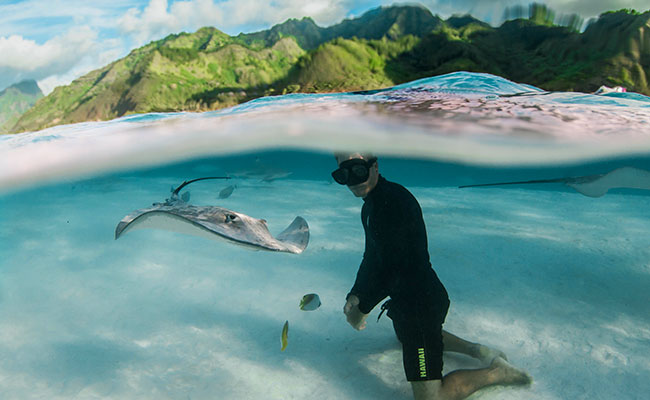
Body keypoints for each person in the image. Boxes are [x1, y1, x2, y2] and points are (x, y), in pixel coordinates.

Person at [332, 152, 532, 400]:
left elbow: (393, 268)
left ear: (374, 167)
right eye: (343, 174)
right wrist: (357, 293)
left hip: (420, 307)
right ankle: (476, 350)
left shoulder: (393, 203)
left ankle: (497, 372)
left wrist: (362, 308)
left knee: (431, 397)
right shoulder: (373, 204)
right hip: (408, 298)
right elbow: (372, 255)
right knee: (404, 338)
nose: (353, 180)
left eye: (358, 171)